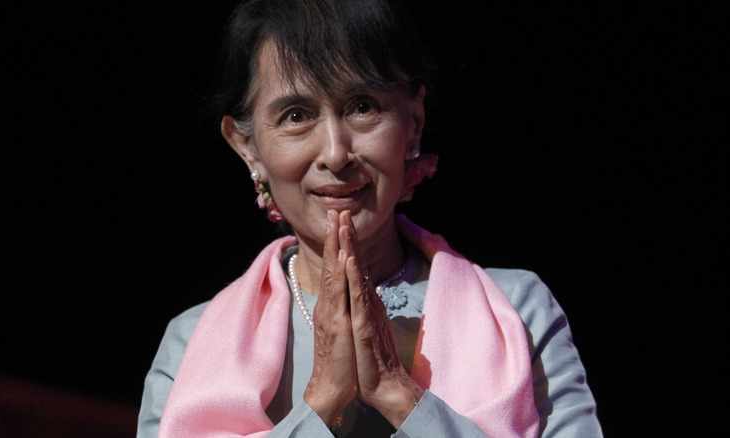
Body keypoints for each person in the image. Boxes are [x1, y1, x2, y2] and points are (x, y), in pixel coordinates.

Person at [137, 0, 602, 436]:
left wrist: (400, 397)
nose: (336, 154)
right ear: (248, 148)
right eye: (296, 115)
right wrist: (319, 405)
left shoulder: (518, 311)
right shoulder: (192, 341)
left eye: (362, 107)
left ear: (413, 123)